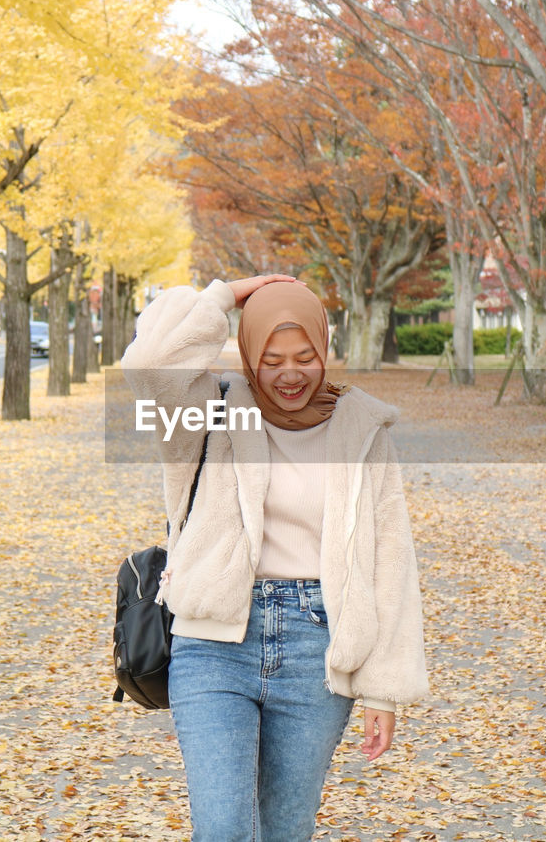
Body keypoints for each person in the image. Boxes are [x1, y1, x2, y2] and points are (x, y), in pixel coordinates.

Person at [121, 275, 428, 841]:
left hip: (318, 648)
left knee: (286, 831)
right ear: (247, 356)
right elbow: (149, 363)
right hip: (214, 643)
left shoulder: (361, 430)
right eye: (272, 358)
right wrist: (224, 296)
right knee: (222, 830)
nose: (291, 374)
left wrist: (383, 687)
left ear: (325, 350)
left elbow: (391, 561)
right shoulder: (210, 415)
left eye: (306, 356)